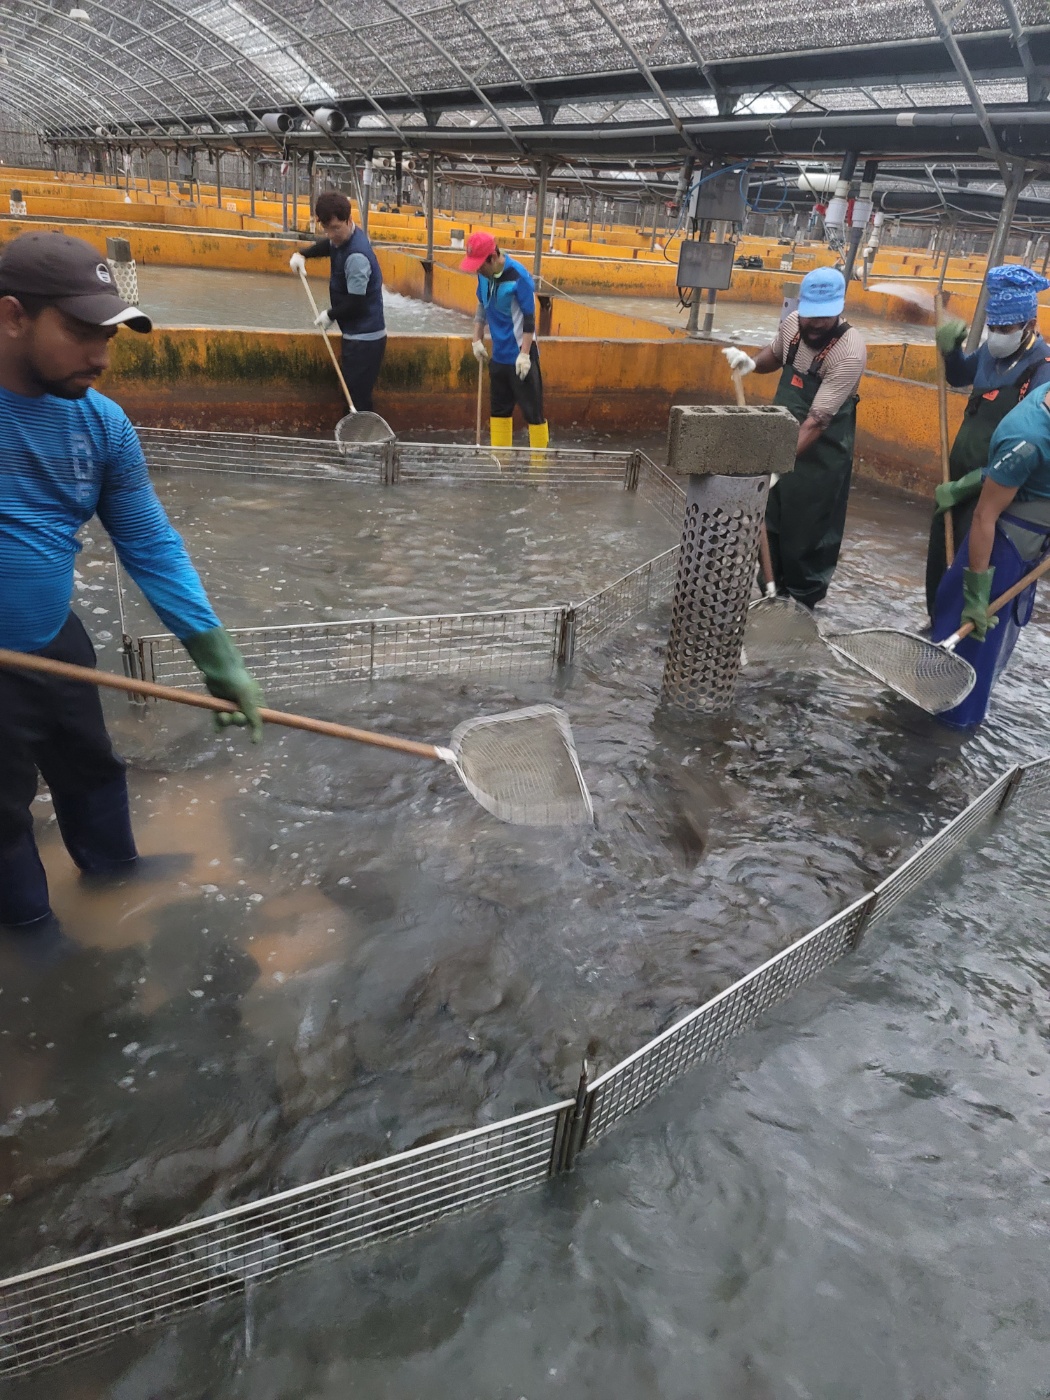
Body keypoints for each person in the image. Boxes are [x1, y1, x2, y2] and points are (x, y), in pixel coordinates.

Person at [0, 232, 263, 933]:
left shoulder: (101, 424)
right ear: (12, 316)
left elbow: (148, 542)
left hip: (53, 638)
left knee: (91, 768)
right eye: (83, 333)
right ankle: (33, 937)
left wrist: (218, 660)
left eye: (110, 336)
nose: (102, 357)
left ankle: (114, 873)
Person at [723, 267, 867, 608]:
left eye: (825, 318)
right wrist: (751, 364)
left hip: (820, 457)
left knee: (807, 533)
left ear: (839, 310)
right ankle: (771, 591)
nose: (816, 325)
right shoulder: (792, 327)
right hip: (780, 442)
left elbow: (816, 422)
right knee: (769, 523)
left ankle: (801, 605)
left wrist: (775, 466)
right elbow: (775, 354)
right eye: (811, 316)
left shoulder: (849, 351)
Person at [925, 264, 1050, 618]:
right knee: (940, 558)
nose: (996, 335)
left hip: (997, 488)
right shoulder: (990, 353)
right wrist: (951, 352)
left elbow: (1029, 447)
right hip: (958, 472)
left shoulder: (1042, 370)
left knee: (973, 562)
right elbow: (960, 376)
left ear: (1029, 324)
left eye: (1005, 329)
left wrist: (971, 484)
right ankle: (935, 624)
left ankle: (961, 632)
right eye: (992, 327)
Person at [930, 376, 1050, 727]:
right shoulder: (1028, 438)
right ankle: (944, 734)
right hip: (1003, 553)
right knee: (972, 651)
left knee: (995, 652)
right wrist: (977, 591)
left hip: (1031, 547)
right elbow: (984, 516)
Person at [290, 191, 387, 416]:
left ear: (348, 221)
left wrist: (330, 314)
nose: (332, 235)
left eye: (336, 228)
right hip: (355, 334)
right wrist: (303, 255)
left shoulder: (356, 257)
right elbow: (329, 246)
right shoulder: (342, 238)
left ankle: (361, 443)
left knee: (357, 399)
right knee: (352, 394)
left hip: (365, 339)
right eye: (327, 229)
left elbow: (357, 303)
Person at [460, 230, 549, 454]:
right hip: (499, 357)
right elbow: (482, 305)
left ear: (492, 257)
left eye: (480, 265)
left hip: (521, 357)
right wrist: (476, 339)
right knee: (499, 412)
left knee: (533, 414)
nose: (477, 270)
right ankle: (501, 464)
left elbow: (530, 319)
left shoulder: (519, 277)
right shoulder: (483, 276)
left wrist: (525, 355)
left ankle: (539, 471)